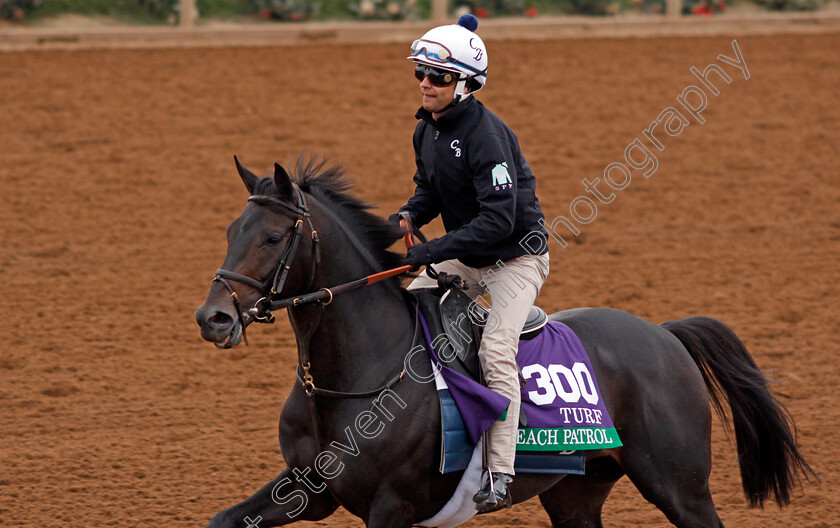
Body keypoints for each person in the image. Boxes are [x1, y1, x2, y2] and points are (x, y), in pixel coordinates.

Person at [392, 14, 550, 513]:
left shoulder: (486, 136)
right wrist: (410, 214)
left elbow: (500, 222)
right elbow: (428, 190)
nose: (425, 83)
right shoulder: (427, 130)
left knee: (495, 350)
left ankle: (501, 469)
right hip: (468, 255)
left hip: (515, 260)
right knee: (405, 306)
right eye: (421, 72)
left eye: (437, 77)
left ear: (464, 84)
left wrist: (431, 250)